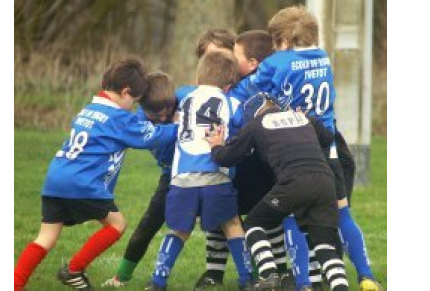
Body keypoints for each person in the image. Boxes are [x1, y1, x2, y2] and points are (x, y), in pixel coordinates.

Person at [232, 6, 381, 290]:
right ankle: (366, 276)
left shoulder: (277, 63)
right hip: (328, 145)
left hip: (297, 148)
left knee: (292, 215)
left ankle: (303, 282)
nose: (274, 47)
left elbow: (249, 88)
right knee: (342, 214)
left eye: (276, 41)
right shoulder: (323, 57)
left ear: (285, 41)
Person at [13, 58, 178, 291]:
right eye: (135, 101)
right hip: (82, 183)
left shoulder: (88, 109)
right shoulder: (118, 118)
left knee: (45, 239)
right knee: (117, 224)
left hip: (55, 179)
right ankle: (74, 270)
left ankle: (14, 284)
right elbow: (153, 136)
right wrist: (181, 126)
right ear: (125, 92)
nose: (134, 107)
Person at [205, 93, 349, 291]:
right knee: (324, 245)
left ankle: (268, 273)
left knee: (254, 223)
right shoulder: (301, 117)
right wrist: (308, 118)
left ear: (253, 113)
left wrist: (216, 147)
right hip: (325, 183)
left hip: (293, 183)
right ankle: (341, 286)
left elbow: (228, 158)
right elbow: (327, 138)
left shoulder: (256, 124)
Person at [147, 51, 254, 291]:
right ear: (228, 86)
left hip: (182, 178)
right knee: (232, 224)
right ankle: (246, 279)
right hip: (216, 176)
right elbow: (243, 130)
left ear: (199, 76)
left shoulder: (184, 99)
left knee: (179, 229)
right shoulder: (231, 101)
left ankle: (157, 280)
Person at [102, 72, 178, 288]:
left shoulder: (183, 102)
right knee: (147, 225)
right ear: (142, 106)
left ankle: (255, 275)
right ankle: (121, 278)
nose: (163, 120)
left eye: (167, 114)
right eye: (157, 117)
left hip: (199, 173)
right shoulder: (135, 121)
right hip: (170, 177)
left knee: (228, 223)